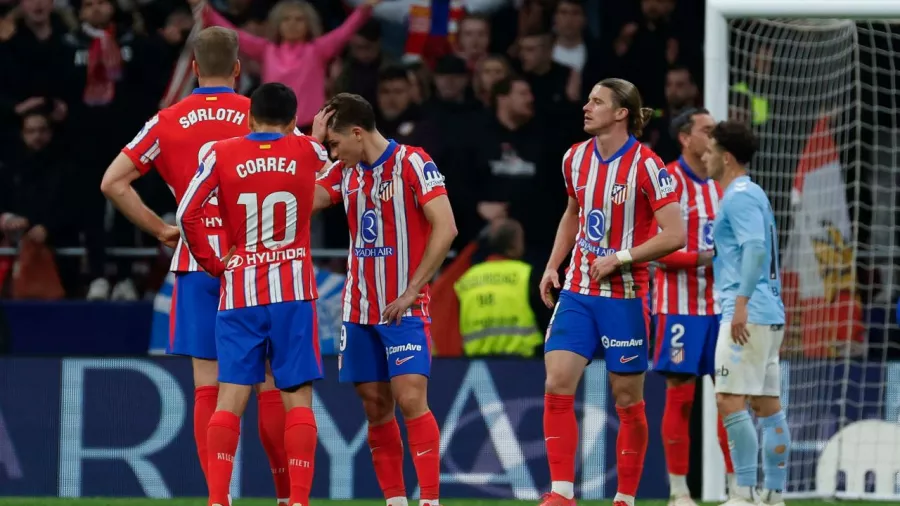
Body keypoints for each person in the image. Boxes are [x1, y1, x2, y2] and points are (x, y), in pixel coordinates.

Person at [99, 27, 295, 504]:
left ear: (192, 69)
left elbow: (112, 183)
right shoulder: (260, 114)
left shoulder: (167, 119)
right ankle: (288, 497)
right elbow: (303, 169)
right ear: (237, 69)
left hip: (197, 263)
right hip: (259, 263)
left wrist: (161, 229)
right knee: (269, 382)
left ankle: (218, 499)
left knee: (209, 387)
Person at [176, 82, 327, 506]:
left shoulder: (220, 152)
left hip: (239, 287)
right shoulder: (307, 152)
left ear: (248, 116)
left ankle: (218, 500)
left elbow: (188, 211)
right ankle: (297, 501)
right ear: (293, 120)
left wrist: (213, 262)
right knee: (296, 394)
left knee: (231, 395)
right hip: (293, 290)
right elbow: (324, 164)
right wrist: (311, 134)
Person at [538, 78, 687, 506]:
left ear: (622, 113)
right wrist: (553, 264)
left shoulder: (647, 165)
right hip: (578, 293)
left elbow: (675, 233)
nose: (586, 106)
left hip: (623, 297)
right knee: (558, 380)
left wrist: (621, 257)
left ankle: (625, 497)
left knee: (627, 399)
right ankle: (562, 492)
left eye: (597, 101)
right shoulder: (574, 158)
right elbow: (572, 213)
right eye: (588, 99)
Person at [313, 92, 457, 506]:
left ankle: (429, 500)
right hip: (359, 309)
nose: (333, 153)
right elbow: (303, 201)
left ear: (357, 133)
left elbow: (445, 227)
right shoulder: (345, 172)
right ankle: (395, 501)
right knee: (375, 407)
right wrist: (312, 144)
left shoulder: (413, 162)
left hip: (404, 307)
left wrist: (413, 290)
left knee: (411, 397)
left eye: (335, 144)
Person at [650, 108, 735, 506]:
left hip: (723, 308)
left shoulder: (725, 181)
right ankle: (679, 492)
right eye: (707, 130)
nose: (715, 135)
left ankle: (740, 488)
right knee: (680, 397)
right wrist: (704, 258)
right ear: (685, 138)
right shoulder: (667, 180)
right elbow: (655, 248)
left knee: (730, 398)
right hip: (678, 307)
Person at [704, 120, 790, 506]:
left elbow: (755, 248)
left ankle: (742, 493)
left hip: (747, 313)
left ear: (725, 157)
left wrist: (738, 303)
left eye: (708, 151)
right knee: (767, 405)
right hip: (768, 313)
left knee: (729, 399)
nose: (703, 158)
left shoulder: (738, 196)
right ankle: (773, 494)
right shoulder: (753, 193)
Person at [191, 0, 379, 128]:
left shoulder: (318, 49)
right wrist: (205, 9)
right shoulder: (266, 49)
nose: (292, 24)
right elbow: (232, 32)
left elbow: (345, 31)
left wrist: (365, 8)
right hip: (273, 127)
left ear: (309, 24)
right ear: (277, 24)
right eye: (286, 19)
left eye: (299, 19)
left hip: (310, 129)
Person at [453, 219, 548, 357]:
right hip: (524, 362)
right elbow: (548, 319)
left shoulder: (466, 279)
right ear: (515, 243)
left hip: (475, 363)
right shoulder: (526, 275)